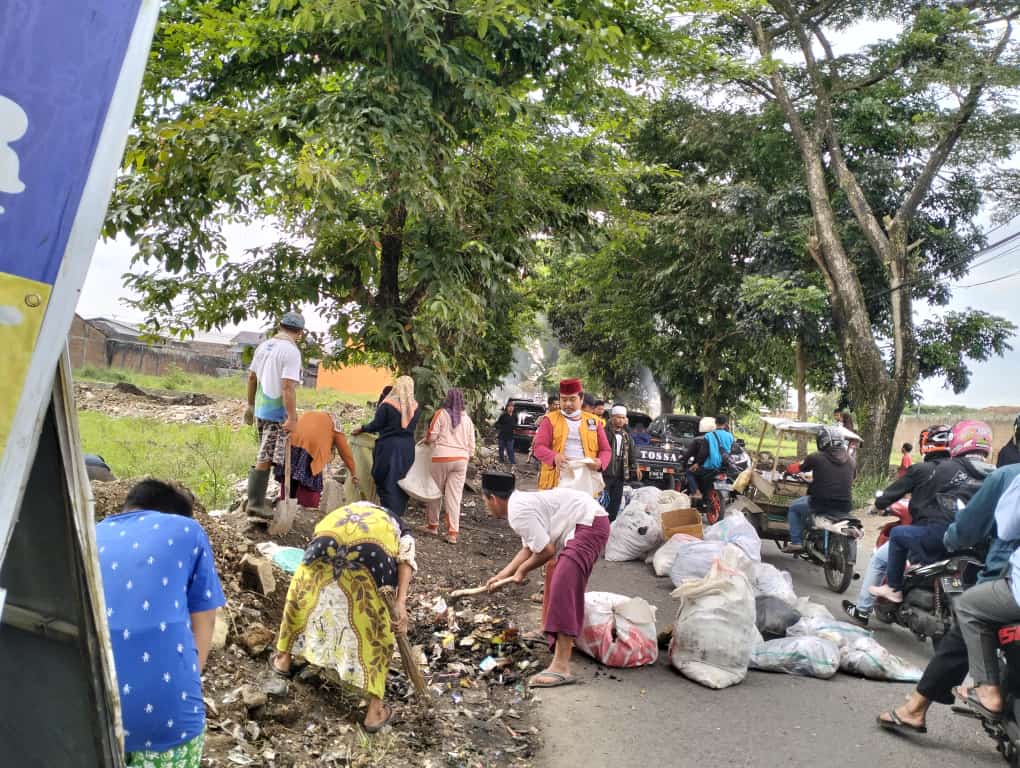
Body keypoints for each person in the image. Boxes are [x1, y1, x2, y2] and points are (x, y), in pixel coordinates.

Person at [875, 462, 1020, 733]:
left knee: (965, 623)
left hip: (1002, 572)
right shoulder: (984, 473)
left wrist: (953, 539)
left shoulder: (1007, 476)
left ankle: (919, 707)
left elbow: (972, 528)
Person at [96, 480, 226, 766]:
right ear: (175, 514)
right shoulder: (187, 529)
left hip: (90, 714)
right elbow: (204, 620)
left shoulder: (90, 534)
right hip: (167, 721)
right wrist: (188, 684)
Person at [270, 501, 416, 732]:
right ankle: (374, 711)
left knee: (304, 600)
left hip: (323, 546)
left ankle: (283, 660)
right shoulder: (402, 530)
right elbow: (405, 560)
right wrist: (400, 603)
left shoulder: (342, 512)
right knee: (376, 629)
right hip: (370, 559)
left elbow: (315, 537)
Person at [480, 472, 610, 688]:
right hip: (584, 524)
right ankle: (547, 632)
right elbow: (530, 547)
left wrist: (521, 572)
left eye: (485, 502)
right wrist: (503, 574)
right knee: (555, 577)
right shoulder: (518, 503)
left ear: (493, 499)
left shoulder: (517, 511)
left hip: (589, 524)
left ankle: (561, 667)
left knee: (563, 584)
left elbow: (546, 550)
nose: (487, 507)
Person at [870, 420, 995, 603]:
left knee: (897, 534)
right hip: (981, 544)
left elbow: (922, 497)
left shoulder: (942, 468)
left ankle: (893, 588)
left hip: (943, 535)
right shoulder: (995, 474)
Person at [842, 425, 952, 625]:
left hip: (926, 531)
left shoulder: (921, 469)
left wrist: (876, 506)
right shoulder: (958, 470)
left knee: (880, 559)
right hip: (957, 535)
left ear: (925, 444)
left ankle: (864, 609)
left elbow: (893, 492)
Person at [952, 474, 1020, 720]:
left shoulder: (1006, 476)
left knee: (968, 605)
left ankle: (988, 688)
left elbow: (1007, 527)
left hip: (1014, 589)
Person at [244, 312, 305, 518]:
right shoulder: (291, 352)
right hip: (275, 412)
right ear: (300, 332)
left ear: (280, 325)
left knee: (265, 452)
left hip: (261, 408)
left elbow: (252, 377)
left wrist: (250, 406)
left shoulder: (264, 346)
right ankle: (255, 504)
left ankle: (255, 499)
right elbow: (288, 387)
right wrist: (292, 417)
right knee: (267, 455)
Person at [352, 376, 419, 518]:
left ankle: (388, 514)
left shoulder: (388, 404)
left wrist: (362, 428)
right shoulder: (415, 407)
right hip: (407, 448)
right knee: (401, 481)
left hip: (389, 447)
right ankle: (396, 515)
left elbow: (376, 425)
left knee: (384, 478)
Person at [784, 426, 855, 554]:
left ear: (822, 441)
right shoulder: (851, 460)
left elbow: (798, 468)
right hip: (845, 505)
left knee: (794, 507)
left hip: (820, 503)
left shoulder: (816, 457)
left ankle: (796, 542)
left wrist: (788, 469)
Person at [532, 378, 610, 490]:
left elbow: (605, 450)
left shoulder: (595, 421)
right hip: (556, 481)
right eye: (563, 399)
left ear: (581, 399)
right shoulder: (550, 420)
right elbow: (538, 448)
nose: (567, 404)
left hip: (585, 480)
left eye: (572, 399)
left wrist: (600, 462)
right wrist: (554, 457)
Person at [423, 388, 475, 544]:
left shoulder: (441, 413)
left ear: (448, 399)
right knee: (454, 497)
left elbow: (431, 437)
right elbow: (472, 447)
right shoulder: (468, 420)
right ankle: (452, 533)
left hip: (441, 458)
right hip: (461, 460)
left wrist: (426, 441)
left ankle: (433, 526)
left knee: (435, 492)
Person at [275, 411, 359, 509]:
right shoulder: (335, 426)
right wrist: (354, 473)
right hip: (311, 452)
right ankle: (304, 509)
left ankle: (285, 506)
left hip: (290, 445)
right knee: (308, 487)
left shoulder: (311, 414)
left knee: (289, 480)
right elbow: (345, 452)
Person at [604, 405, 639, 521]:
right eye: (618, 417)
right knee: (603, 500)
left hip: (620, 472)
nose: (620, 420)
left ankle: (611, 523)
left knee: (616, 500)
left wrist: (635, 466)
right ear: (612, 417)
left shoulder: (626, 435)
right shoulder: (605, 432)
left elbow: (631, 452)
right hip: (606, 472)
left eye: (623, 418)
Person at [528, 395, 560, 463]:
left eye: (558, 404)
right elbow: (537, 424)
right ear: (550, 405)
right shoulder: (546, 416)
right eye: (555, 404)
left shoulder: (560, 416)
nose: (557, 407)